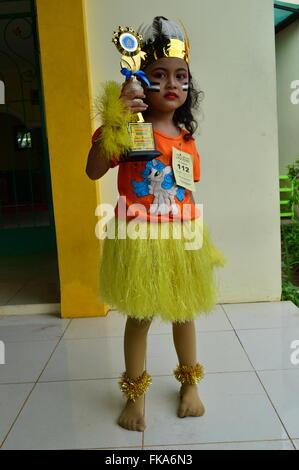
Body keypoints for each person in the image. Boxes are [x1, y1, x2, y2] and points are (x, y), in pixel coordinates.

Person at [86, 16, 227, 432]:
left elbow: (188, 189)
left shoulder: (185, 137)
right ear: (140, 82)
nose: (172, 84)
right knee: (140, 315)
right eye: (159, 75)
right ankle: (135, 394)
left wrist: (196, 237)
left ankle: (189, 385)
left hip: (181, 236)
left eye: (180, 76)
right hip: (138, 235)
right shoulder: (126, 130)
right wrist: (112, 124)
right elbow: (93, 171)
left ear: (188, 87)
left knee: (185, 313)